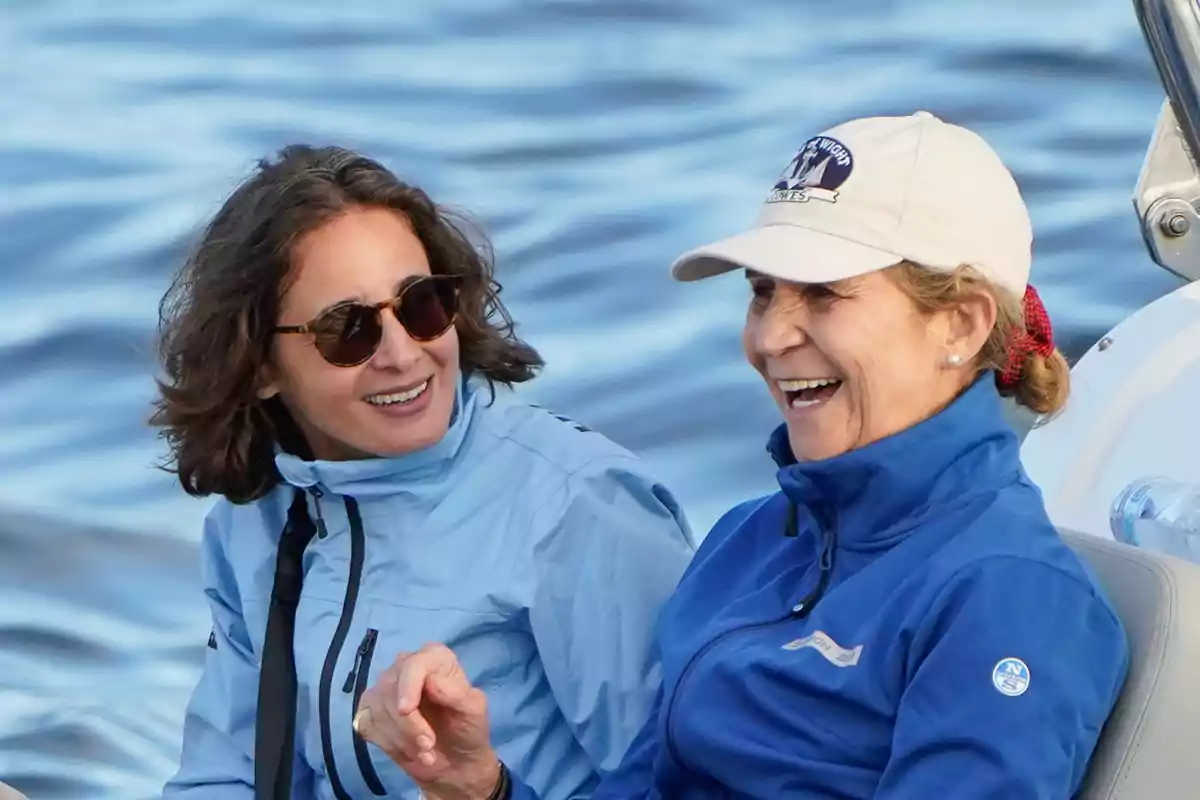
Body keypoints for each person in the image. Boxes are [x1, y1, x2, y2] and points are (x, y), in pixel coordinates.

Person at [363, 111, 1131, 799]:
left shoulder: (1007, 595)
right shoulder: (750, 540)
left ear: (960, 326)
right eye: (764, 291)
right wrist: (480, 788)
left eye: (824, 294)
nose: (768, 337)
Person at [153, 144, 696, 799]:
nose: (403, 353)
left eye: (421, 305)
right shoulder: (253, 524)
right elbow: (227, 775)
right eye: (348, 329)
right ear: (260, 365)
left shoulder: (578, 503)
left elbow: (677, 784)